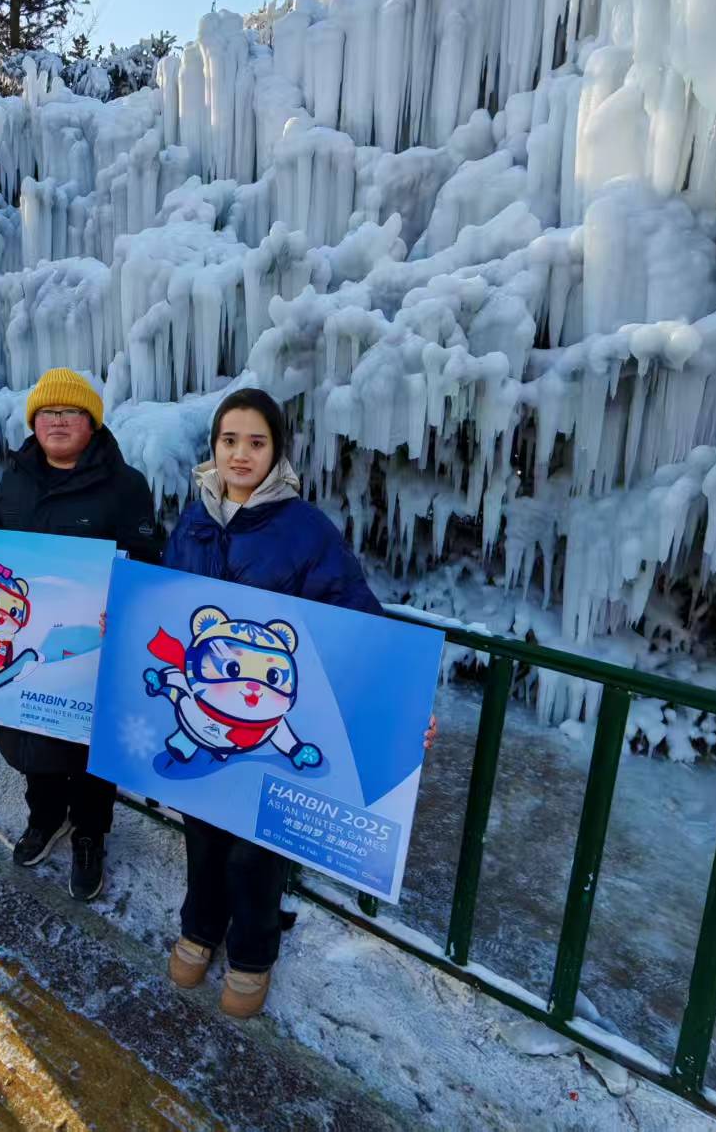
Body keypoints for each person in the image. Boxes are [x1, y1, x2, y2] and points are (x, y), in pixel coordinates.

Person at [158, 386, 434, 1019]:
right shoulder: (194, 518)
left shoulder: (306, 530)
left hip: (273, 720)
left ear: (276, 450)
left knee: (257, 847)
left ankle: (253, 956)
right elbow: (169, 601)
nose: (241, 454)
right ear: (215, 447)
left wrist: (401, 701)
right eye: (230, 441)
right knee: (201, 830)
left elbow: (356, 614)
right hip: (205, 720)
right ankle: (200, 929)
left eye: (257, 442)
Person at [0, 368, 163, 902]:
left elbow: (147, 559)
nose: (57, 421)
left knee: (89, 743)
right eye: (47, 413)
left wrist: (124, 606)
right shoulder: (19, 473)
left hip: (94, 646)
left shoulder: (125, 485)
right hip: (31, 641)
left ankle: (90, 834)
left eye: (70, 412)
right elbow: (2, 521)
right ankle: (47, 816)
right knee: (33, 730)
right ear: (34, 422)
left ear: (91, 423)